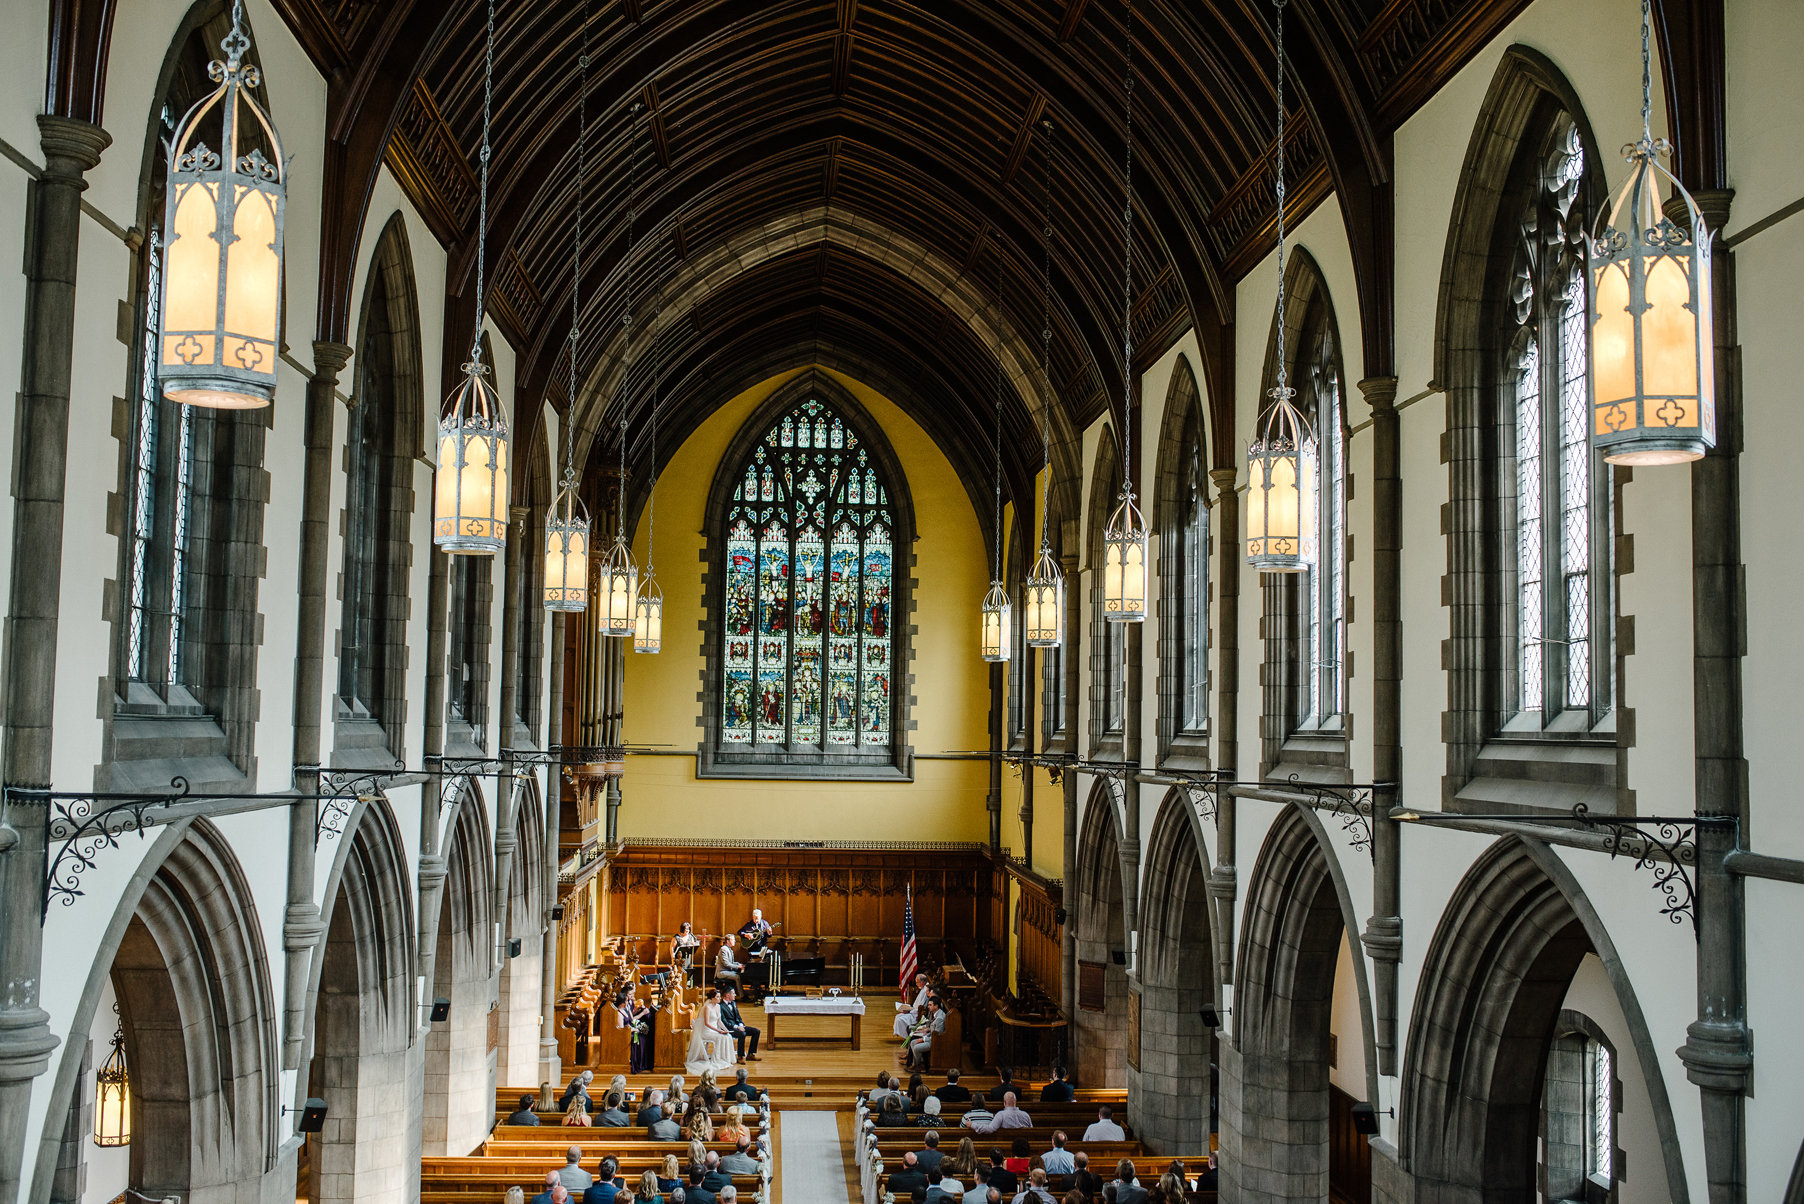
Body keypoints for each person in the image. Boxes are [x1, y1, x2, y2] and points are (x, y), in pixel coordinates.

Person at [685, 987, 737, 1074]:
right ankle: (717, 1059)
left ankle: (725, 1058)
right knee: (720, 1038)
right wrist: (718, 1031)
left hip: (716, 1031)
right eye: (717, 997)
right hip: (707, 1032)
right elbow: (707, 1023)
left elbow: (719, 1021)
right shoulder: (707, 1008)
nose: (719, 998)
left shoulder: (718, 1007)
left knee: (728, 1036)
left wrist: (725, 1030)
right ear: (712, 998)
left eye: (720, 997)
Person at [718, 987, 761, 1062]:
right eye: (733, 993)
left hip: (737, 1027)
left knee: (756, 1031)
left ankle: (750, 1054)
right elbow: (724, 1022)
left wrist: (741, 1024)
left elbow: (738, 1017)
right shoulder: (720, 1006)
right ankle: (740, 1056)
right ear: (728, 995)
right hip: (728, 1028)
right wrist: (737, 1027)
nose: (735, 995)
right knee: (742, 1034)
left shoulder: (734, 1003)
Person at [906, 996, 947, 1070]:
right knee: (912, 1042)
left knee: (916, 1047)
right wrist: (924, 1037)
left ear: (936, 1006)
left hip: (935, 1042)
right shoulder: (936, 1014)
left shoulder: (939, 1018)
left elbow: (937, 1036)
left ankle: (919, 1065)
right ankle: (915, 1064)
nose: (928, 1007)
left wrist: (923, 1039)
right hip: (931, 1037)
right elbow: (932, 1031)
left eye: (930, 1005)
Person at [893, 972, 932, 1038]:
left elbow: (920, 1007)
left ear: (923, 983)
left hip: (916, 1015)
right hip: (913, 1011)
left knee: (900, 1019)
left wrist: (908, 1011)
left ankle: (906, 1037)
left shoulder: (925, 991)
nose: (916, 984)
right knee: (898, 1016)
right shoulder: (923, 989)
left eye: (917, 982)